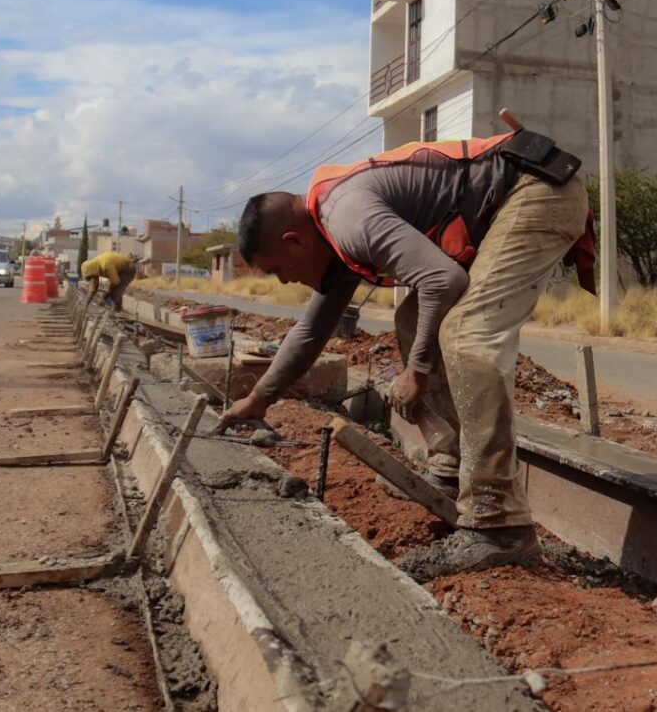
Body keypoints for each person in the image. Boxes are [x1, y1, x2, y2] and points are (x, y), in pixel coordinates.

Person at [218, 125, 592, 574]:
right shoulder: (330, 231)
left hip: (536, 190)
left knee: (466, 334)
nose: (286, 281)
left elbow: (444, 281)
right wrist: (259, 399)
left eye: (280, 270)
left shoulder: (348, 219)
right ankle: (452, 465)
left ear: (293, 241)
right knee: (413, 320)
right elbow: (311, 330)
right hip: (512, 195)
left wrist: (416, 370)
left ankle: (499, 525)